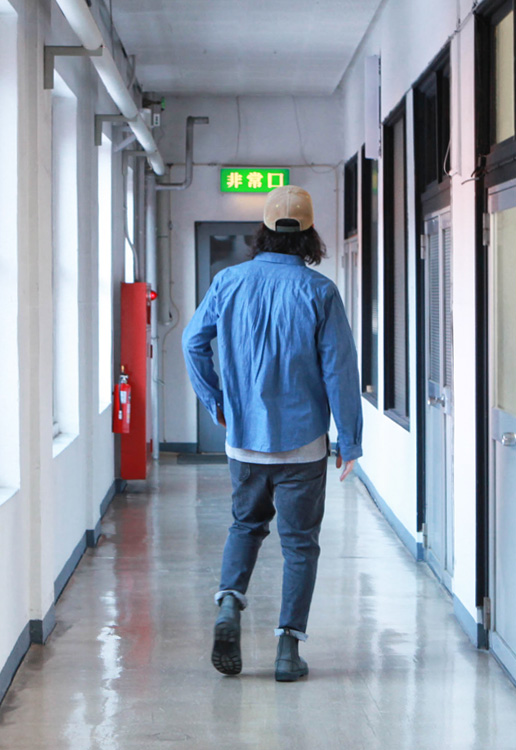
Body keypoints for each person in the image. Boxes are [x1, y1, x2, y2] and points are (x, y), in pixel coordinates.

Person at [182, 185, 363, 681]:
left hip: (244, 441)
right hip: (303, 445)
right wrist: (349, 439)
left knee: (245, 526)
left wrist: (217, 401)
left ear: (263, 231)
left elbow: (192, 342)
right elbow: (340, 370)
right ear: (309, 235)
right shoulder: (320, 291)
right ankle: (287, 650)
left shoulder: (227, 282)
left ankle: (229, 604)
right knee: (299, 545)